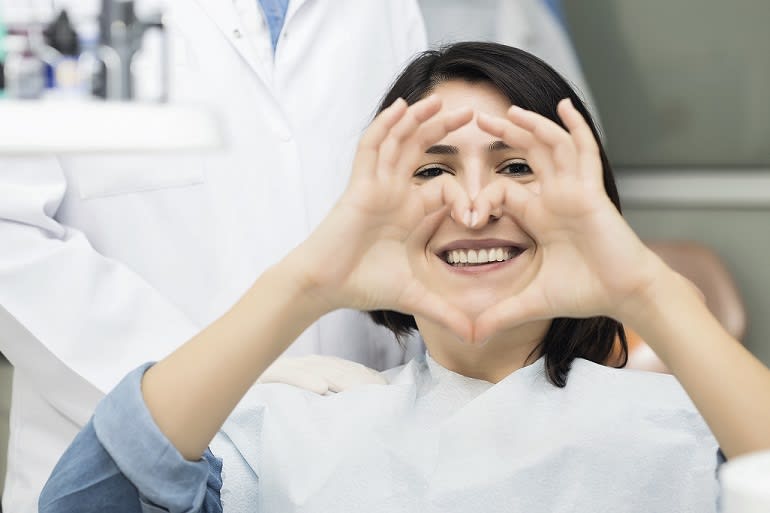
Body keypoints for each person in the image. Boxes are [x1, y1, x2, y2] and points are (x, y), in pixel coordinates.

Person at [39, 42, 770, 513]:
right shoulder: (288, 438)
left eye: (517, 167)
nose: (476, 207)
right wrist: (306, 281)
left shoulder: (688, 432)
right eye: (432, 170)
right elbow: (85, 503)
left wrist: (647, 289)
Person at [0, 1, 427, 511]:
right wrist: (216, 378)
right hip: (123, 477)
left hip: (356, 455)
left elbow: (417, 193)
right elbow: (13, 236)